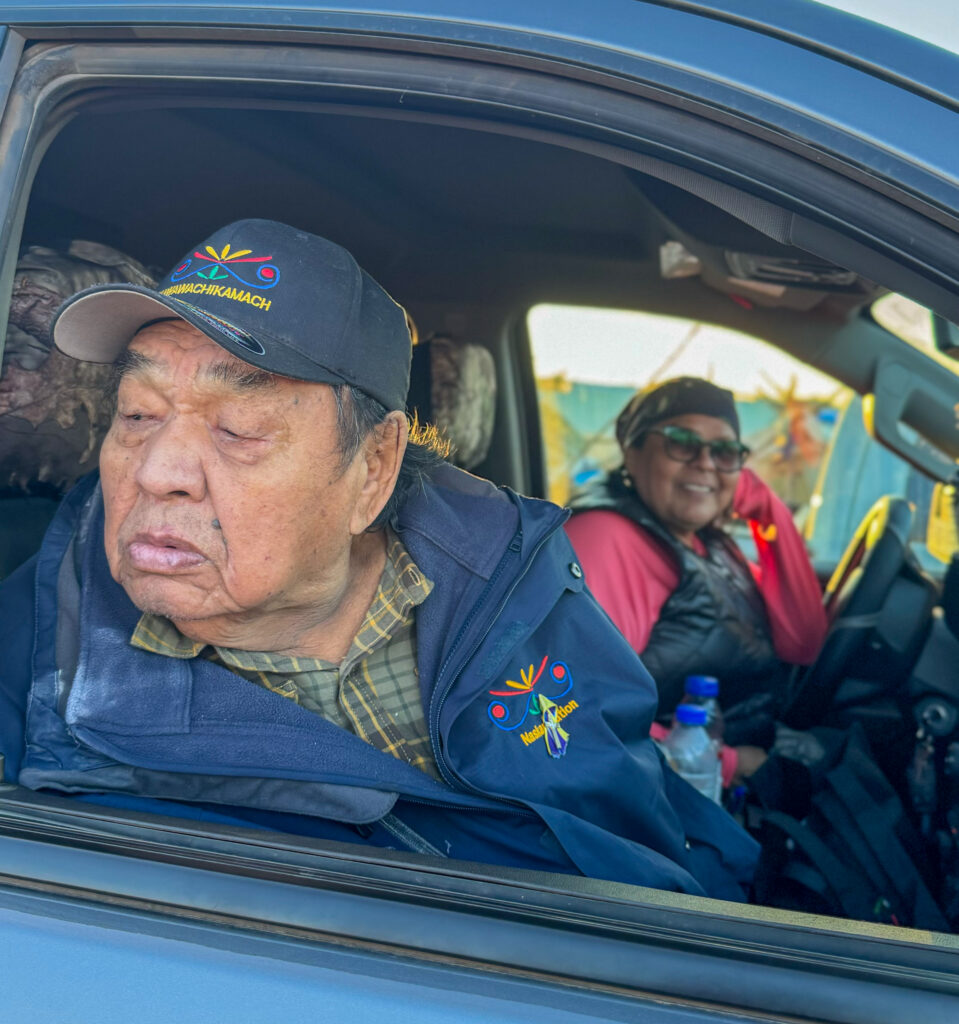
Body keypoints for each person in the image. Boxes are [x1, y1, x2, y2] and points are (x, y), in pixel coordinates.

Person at [0, 220, 757, 901]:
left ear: (374, 466)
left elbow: (638, 815)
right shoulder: (27, 674)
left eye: (238, 427)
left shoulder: (513, 582)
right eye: (136, 413)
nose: (158, 467)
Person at [565, 378, 828, 783]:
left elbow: (802, 642)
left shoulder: (706, 539)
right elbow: (576, 710)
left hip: (741, 752)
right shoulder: (607, 538)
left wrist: (767, 508)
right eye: (681, 442)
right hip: (671, 791)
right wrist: (728, 764)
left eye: (725, 452)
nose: (705, 462)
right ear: (632, 453)